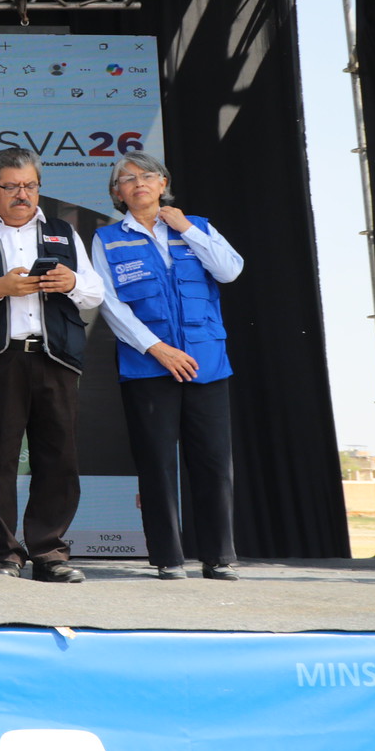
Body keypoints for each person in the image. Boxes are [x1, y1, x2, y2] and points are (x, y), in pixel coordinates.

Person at [0, 147, 106, 581]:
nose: (23, 194)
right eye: (12, 186)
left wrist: (71, 281)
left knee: (58, 457)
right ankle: (5, 556)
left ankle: (50, 553)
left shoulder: (64, 232)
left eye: (30, 186)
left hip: (54, 358)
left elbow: (95, 292)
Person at [90, 152, 244, 580]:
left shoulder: (197, 227)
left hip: (205, 362)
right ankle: (168, 558)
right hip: (148, 365)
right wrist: (157, 348)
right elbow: (109, 303)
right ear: (117, 193)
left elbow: (230, 271)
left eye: (147, 175)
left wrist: (187, 228)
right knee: (156, 464)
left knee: (213, 463)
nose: (138, 182)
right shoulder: (107, 239)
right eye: (127, 178)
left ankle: (218, 556)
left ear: (163, 183)